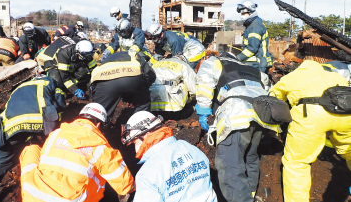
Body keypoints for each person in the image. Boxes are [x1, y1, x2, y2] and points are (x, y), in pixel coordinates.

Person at [195, 52, 279, 202]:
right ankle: (250, 194)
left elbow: (204, 84)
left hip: (238, 113)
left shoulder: (215, 62)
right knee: (250, 156)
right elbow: (269, 89)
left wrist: (203, 110)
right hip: (261, 115)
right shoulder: (254, 70)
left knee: (230, 163)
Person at [0, 76, 66, 202]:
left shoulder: (18, 88)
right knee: (50, 150)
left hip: (10, 128)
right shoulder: (51, 82)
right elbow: (60, 104)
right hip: (38, 122)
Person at [269, 60, 351, 202]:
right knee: (350, 152)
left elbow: (274, 98)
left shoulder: (293, 77)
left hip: (311, 115)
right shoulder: (335, 76)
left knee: (297, 163)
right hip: (346, 115)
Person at [20, 103, 135, 202]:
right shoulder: (100, 146)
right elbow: (124, 185)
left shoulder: (56, 133)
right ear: (98, 125)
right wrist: (133, 188)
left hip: (32, 194)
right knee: (99, 174)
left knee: (32, 149)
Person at [121, 111, 217, 201]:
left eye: (134, 142)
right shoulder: (188, 147)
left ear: (145, 134)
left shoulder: (146, 175)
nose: (135, 147)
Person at [90, 51, 155, 118]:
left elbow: (92, 90)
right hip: (133, 77)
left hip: (104, 81)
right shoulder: (135, 56)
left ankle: (92, 126)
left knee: (97, 112)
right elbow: (151, 76)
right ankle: (139, 124)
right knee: (143, 104)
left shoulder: (105, 62)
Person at [236, 0, 273, 72]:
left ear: (251, 12)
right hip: (255, 63)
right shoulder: (252, 24)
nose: (242, 15)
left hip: (257, 64)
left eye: (244, 13)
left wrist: (238, 58)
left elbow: (252, 49)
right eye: (241, 13)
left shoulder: (255, 27)